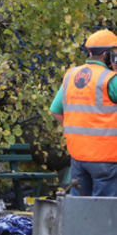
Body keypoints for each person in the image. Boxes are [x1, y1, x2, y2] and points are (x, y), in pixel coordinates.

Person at [49, 29, 117, 196]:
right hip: (106, 159)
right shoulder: (110, 79)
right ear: (107, 55)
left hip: (78, 158)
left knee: (80, 211)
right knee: (105, 214)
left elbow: (55, 111)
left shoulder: (71, 75)